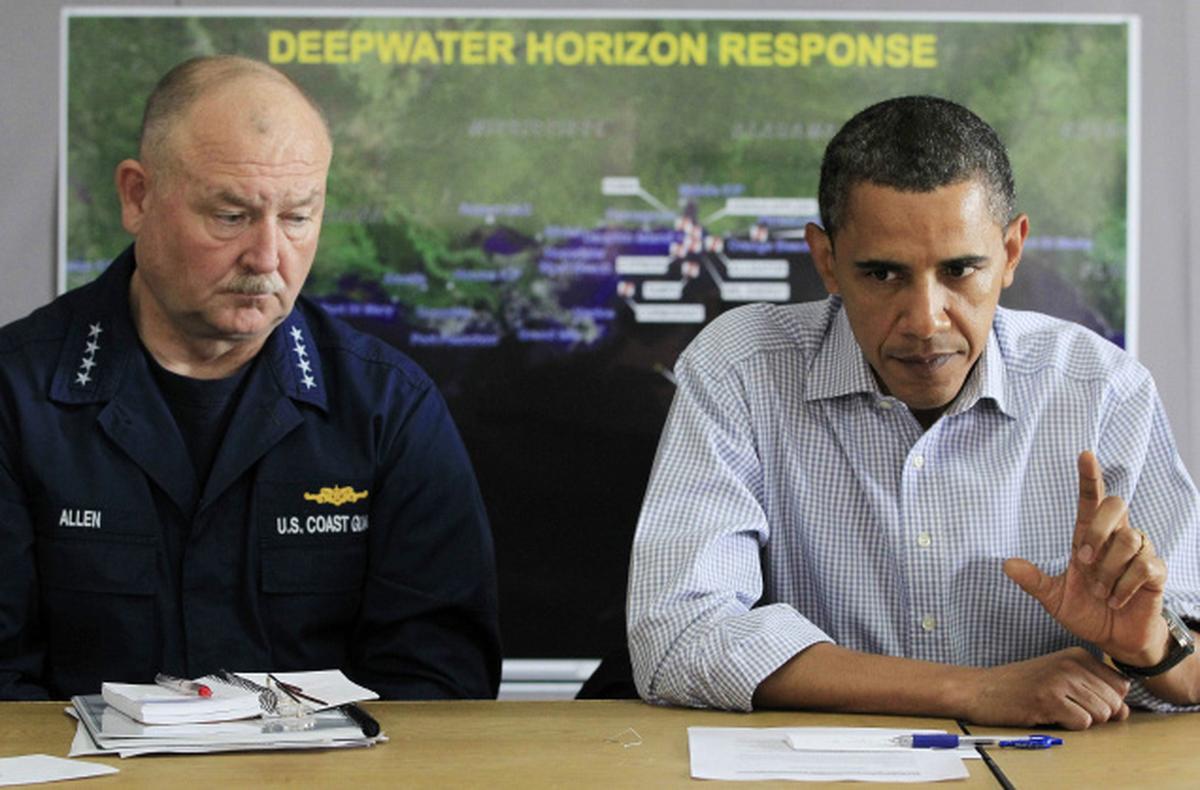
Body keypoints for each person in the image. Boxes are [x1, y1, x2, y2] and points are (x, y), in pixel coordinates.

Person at [627, 96, 1200, 728]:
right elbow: (679, 635)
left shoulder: (1102, 388)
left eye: (961, 270)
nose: (926, 321)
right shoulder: (742, 369)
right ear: (827, 262)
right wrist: (974, 691)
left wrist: (1150, 647)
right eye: (882, 275)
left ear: (1011, 252)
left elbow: (1192, 665)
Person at [0, 55, 500, 700]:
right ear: (137, 196)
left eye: (297, 217)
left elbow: (440, 685)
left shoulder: (389, 409)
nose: (267, 257)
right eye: (231, 216)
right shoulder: (15, 396)